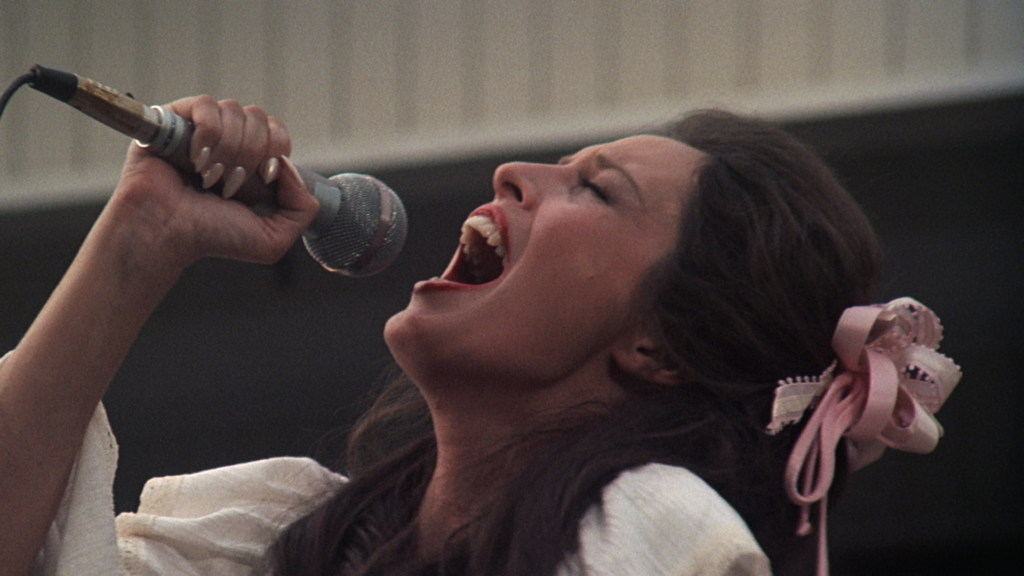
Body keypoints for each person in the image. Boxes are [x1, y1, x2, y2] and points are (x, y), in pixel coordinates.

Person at [0, 97, 960, 576]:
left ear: (658, 350)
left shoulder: (654, 530)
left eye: (594, 188)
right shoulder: (284, 536)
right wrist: (141, 235)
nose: (511, 173)